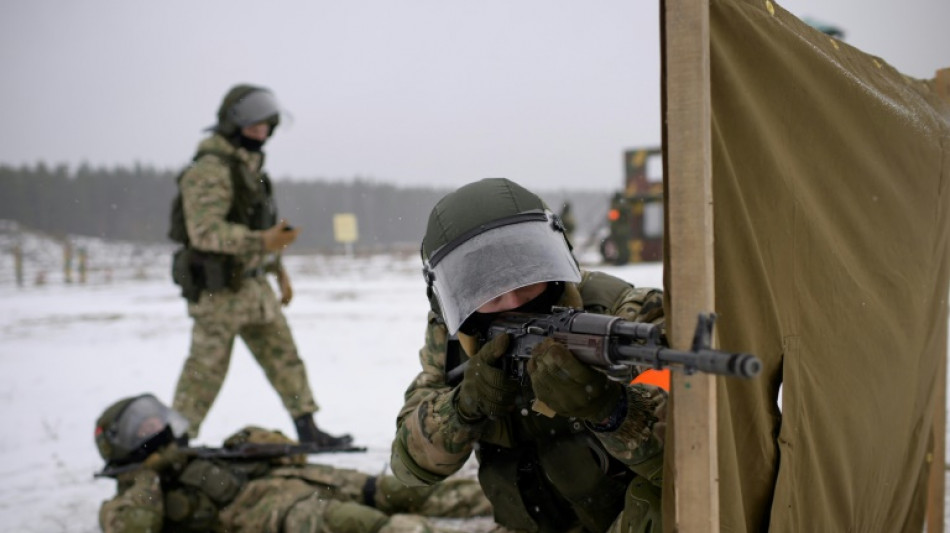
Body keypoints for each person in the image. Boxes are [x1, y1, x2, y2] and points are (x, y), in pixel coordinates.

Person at [390, 178, 667, 533]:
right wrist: (464, 405)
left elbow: (690, 452)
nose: (514, 302)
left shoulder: (625, 315)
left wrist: (610, 410)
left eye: (525, 279)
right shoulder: (456, 338)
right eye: (487, 292)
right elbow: (409, 465)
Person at [169, 83, 350, 448]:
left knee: (285, 360)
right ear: (233, 124)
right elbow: (204, 232)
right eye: (254, 125)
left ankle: (308, 428)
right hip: (219, 292)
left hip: (254, 287)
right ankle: (177, 442)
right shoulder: (210, 169)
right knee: (204, 373)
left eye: (267, 126)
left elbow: (263, 229)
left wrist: (278, 271)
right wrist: (261, 242)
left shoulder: (250, 169)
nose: (262, 133)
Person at [95, 393, 493, 532]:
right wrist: (146, 477)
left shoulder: (201, 453)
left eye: (154, 419)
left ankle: (510, 505)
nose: (155, 428)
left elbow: (291, 450)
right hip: (272, 512)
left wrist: (254, 441)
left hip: (302, 478)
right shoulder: (130, 495)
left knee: (400, 490)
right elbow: (135, 527)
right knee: (360, 523)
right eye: (142, 427)